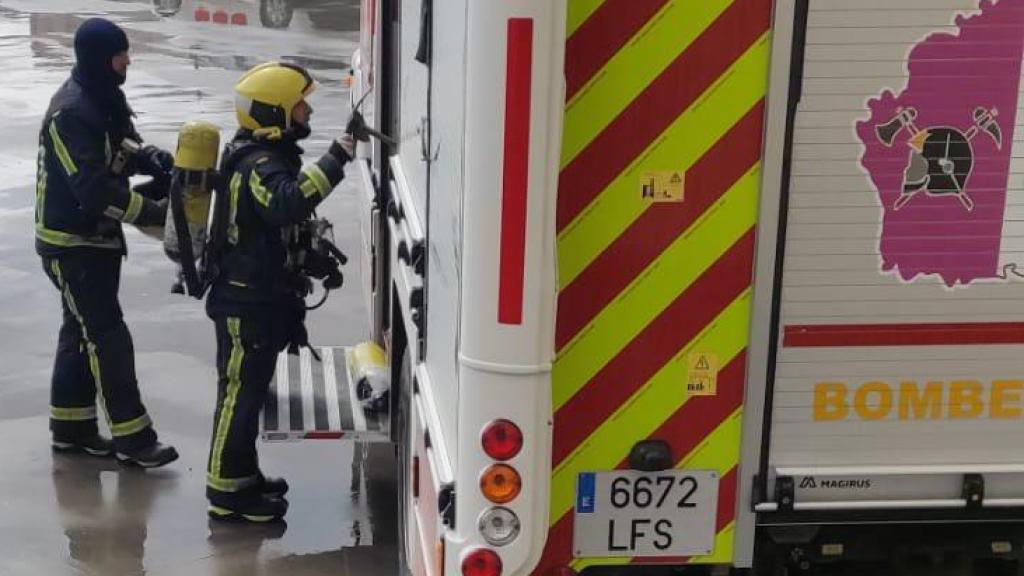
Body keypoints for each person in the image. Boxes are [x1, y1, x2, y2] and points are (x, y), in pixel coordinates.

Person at [204, 61, 355, 523]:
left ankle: (242, 477)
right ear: (275, 114)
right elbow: (287, 202)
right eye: (299, 105)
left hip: (257, 298)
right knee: (238, 395)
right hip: (243, 303)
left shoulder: (265, 159)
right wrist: (337, 157)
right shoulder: (258, 165)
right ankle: (225, 492)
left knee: (246, 393)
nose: (307, 112)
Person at [36, 18, 178, 468]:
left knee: (78, 333)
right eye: (121, 54)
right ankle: (134, 439)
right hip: (71, 245)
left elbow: (119, 143)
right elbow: (93, 191)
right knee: (107, 337)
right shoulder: (71, 112)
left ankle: (71, 429)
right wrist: (154, 216)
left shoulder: (101, 97)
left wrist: (149, 157)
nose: (128, 61)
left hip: (92, 241)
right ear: (101, 58)